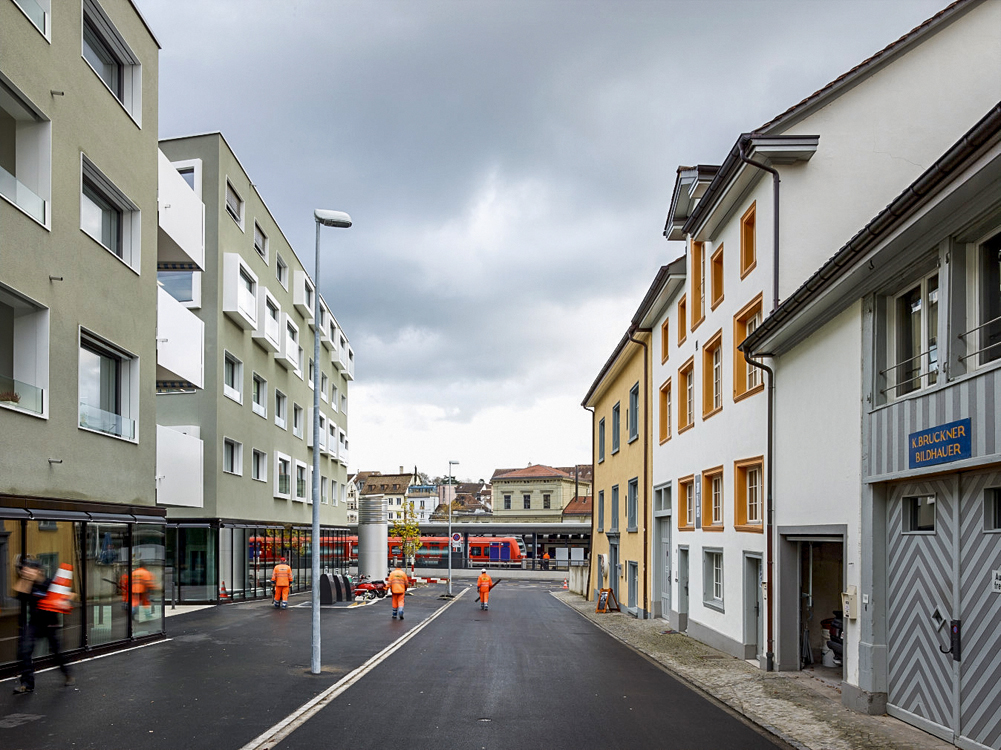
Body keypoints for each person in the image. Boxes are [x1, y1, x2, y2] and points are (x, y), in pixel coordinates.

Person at [14, 559, 74, 693]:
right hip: (34, 624)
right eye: (25, 570)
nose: (27, 573)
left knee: (56, 653)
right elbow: (19, 594)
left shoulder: (50, 584)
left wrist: (65, 602)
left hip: (50, 624)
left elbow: (69, 596)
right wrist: (26, 579)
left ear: (38, 570)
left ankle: (67, 674)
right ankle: (27, 684)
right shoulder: (29, 586)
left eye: (30, 570)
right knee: (24, 650)